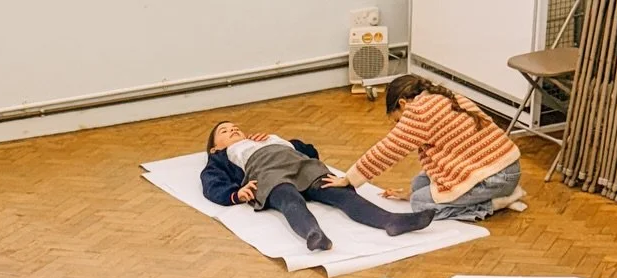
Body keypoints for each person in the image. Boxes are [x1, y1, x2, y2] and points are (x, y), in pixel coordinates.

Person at [200, 122, 432, 252]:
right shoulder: (223, 156)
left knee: (341, 194)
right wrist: (235, 194)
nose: (233, 130)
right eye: (224, 131)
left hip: (302, 165)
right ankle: (314, 233)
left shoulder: (266, 137)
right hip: (267, 173)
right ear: (214, 148)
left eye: (235, 127)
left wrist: (284, 141)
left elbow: (310, 151)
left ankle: (391, 220)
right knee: (289, 199)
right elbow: (211, 182)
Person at [328, 75, 525, 222]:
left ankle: (495, 202)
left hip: (494, 177)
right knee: (418, 184)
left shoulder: (419, 112)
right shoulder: (438, 96)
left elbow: (387, 150)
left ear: (403, 103)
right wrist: (410, 193)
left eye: (398, 120)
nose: (399, 126)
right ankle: (493, 194)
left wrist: (349, 179)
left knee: (419, 203)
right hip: (499, 167)